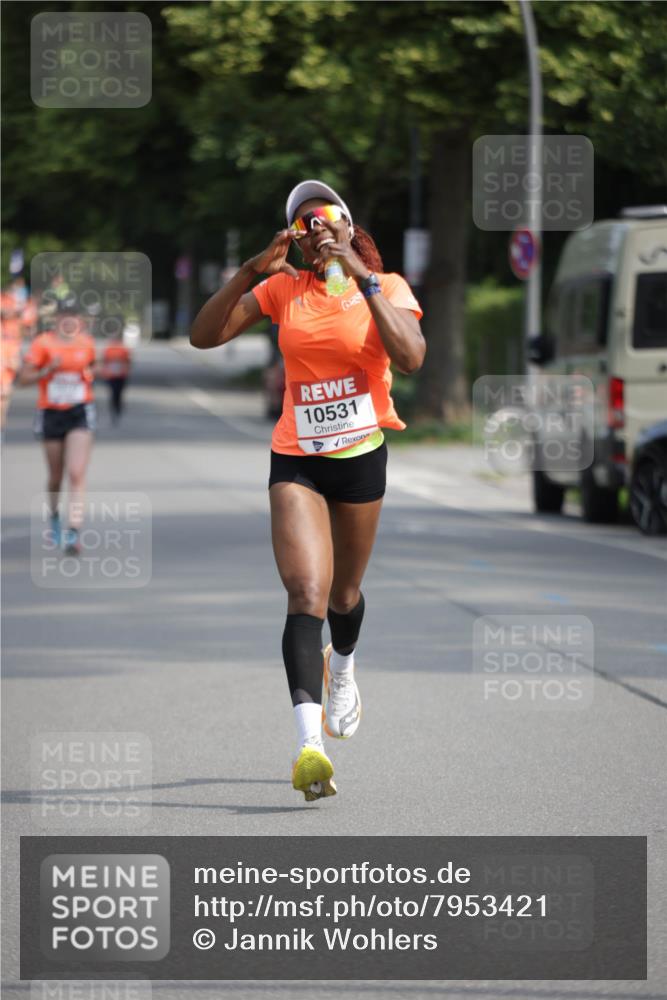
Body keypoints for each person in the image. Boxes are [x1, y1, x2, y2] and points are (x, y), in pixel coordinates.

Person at [191, 180, 425, 801]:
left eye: (324, 217)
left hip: (360, 458)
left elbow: (412, 357)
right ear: (294, 240)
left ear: (347, 225)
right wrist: (248, 271)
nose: (314, 227)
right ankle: (309, 747)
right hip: (296, 456)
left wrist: (363, 279)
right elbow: (204, 336)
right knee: (307, 593)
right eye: (302, 223)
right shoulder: (282, 289)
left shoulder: (389, 285)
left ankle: (342, 667)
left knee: (346, 595)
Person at [18, 293, 98, 555]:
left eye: (74, 316)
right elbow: (24, 379)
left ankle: (73, 531)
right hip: (51, 413)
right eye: (64, 316)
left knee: (76, 473)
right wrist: (46, 371)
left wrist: (92, 374)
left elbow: (93, 368)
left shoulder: (86, 343)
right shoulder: (43, 343)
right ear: (56, 319)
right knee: (55, 476)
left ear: (80, 320)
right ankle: (54, 516)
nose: (69, 320)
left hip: (79, 411)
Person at [100, 322, 132, 424]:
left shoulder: (124, 349)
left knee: (119, 394)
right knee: (113, 394)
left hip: (121, 375)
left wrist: (126, 370)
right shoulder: (108, 349)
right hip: (111, 375)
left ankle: (118, 408)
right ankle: (113, 410)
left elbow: (128, 361)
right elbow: (104, 361)